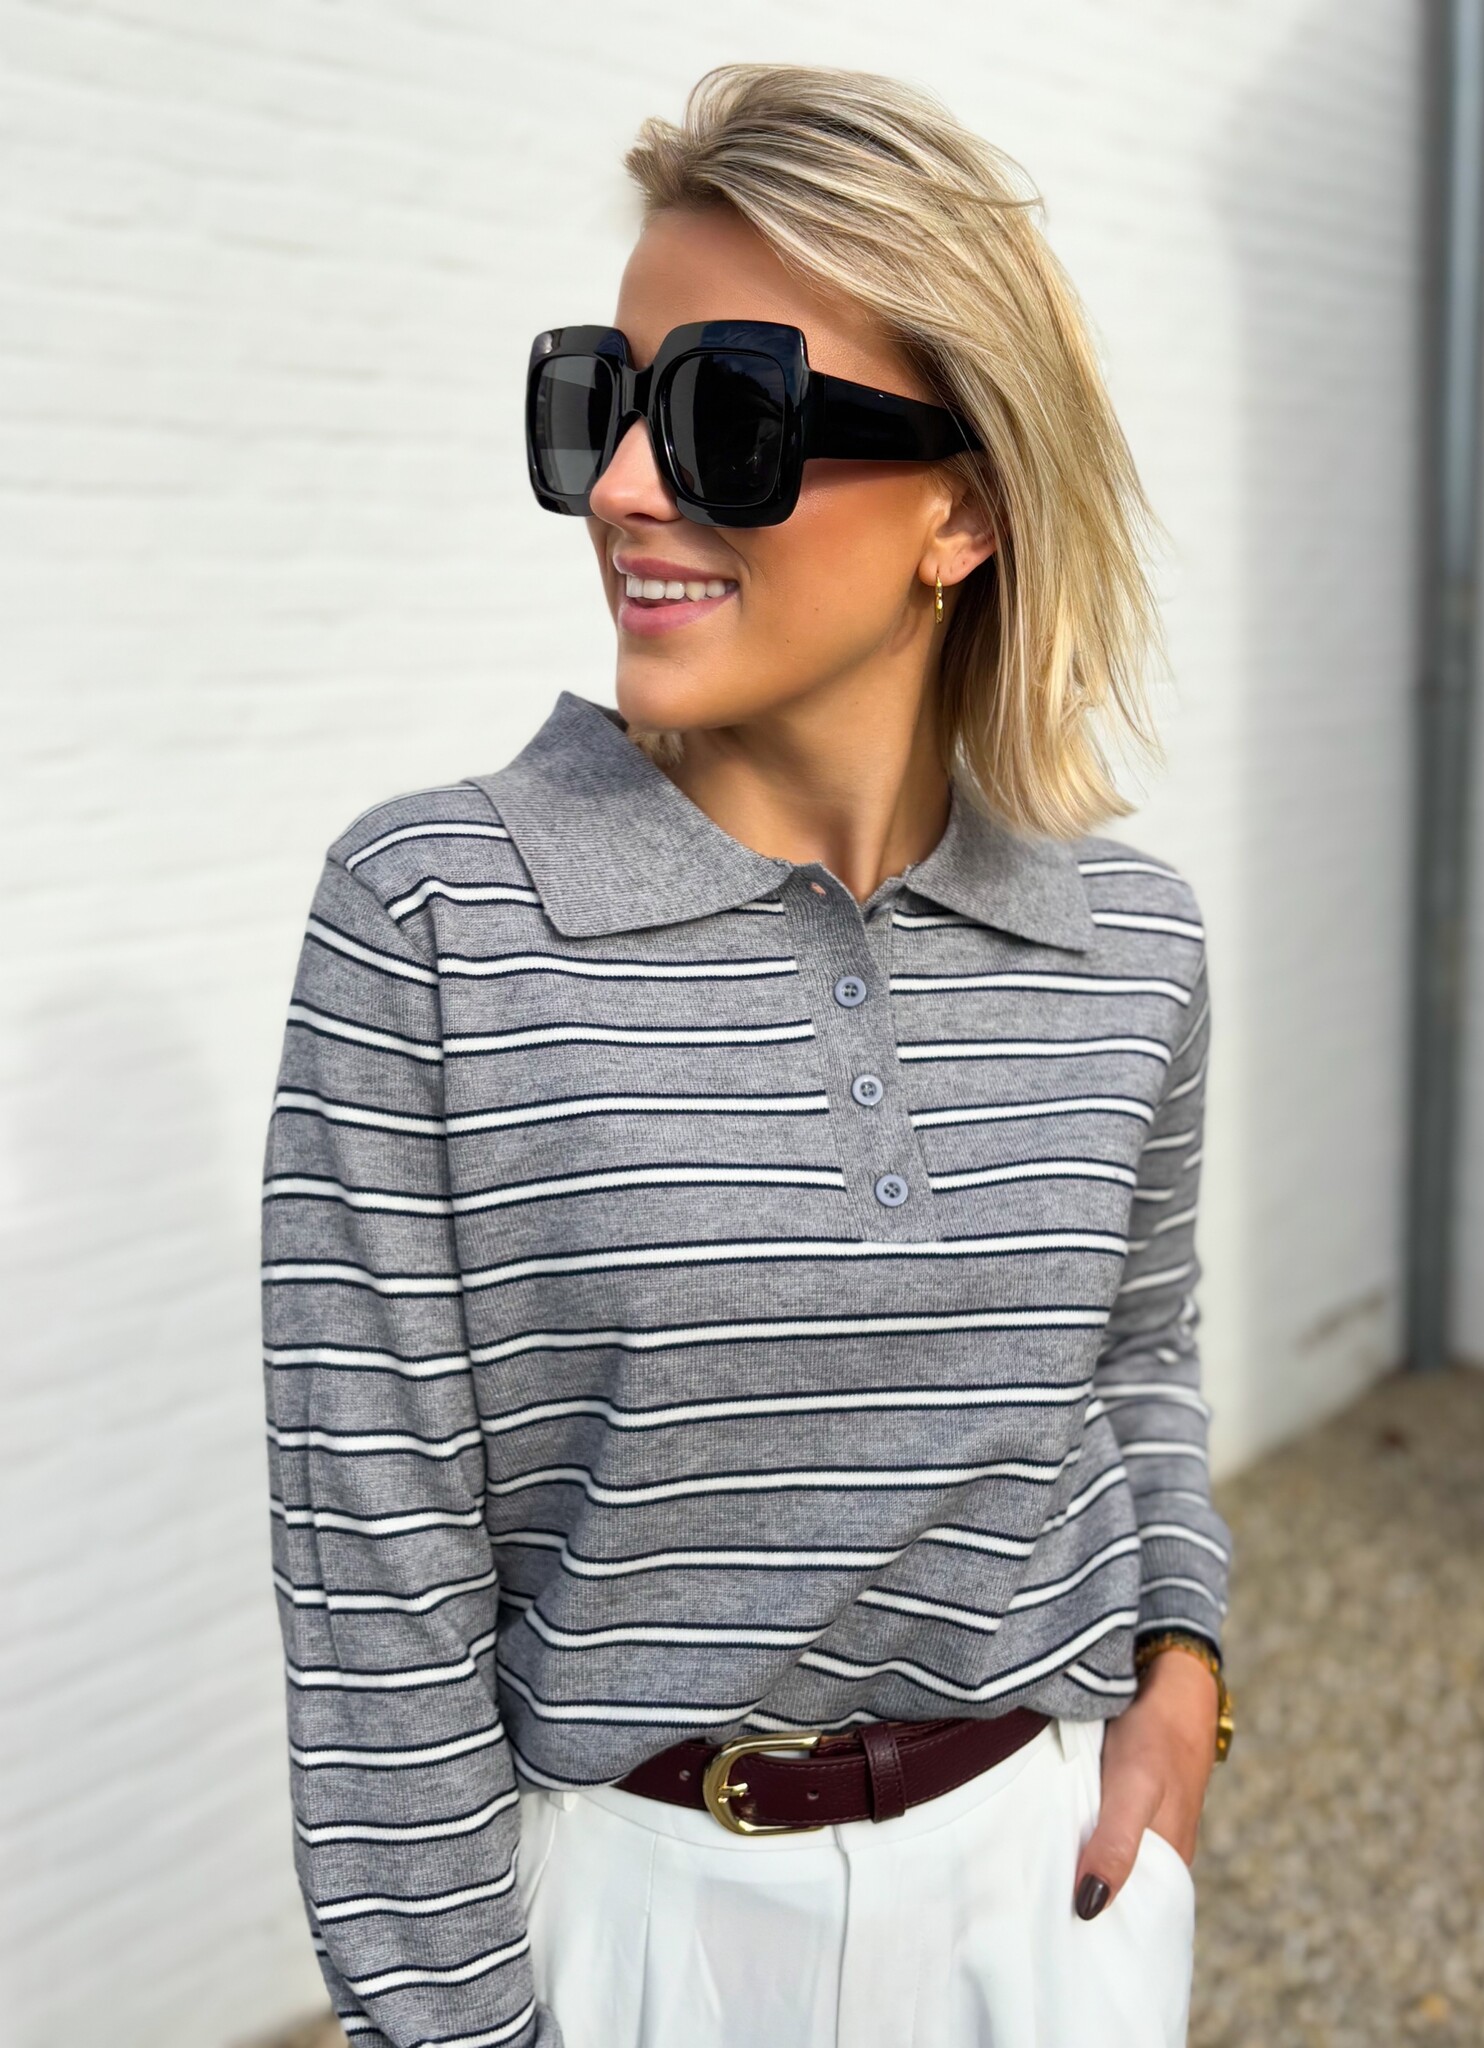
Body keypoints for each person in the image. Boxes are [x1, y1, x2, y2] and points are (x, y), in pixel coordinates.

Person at [261, 61, 1235, 2048]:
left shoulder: (1133, 944)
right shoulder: (435, 922)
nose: (626, 487)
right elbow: (381, 1603)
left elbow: (1137, 1352)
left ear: (967, 505)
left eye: (727, 415)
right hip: (637, 1932)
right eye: (599, 402)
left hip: (1039, 1904)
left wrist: (1184, 1672)